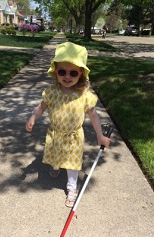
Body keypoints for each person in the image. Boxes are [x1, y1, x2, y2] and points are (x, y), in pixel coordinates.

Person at [26, 42, 111, 208]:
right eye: (62, 71)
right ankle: (57, 166)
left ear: (81, 74)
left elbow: (93, 116)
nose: (67, 76)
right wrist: (33, 117)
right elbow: (41, 107)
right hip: (55, 134)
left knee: (72, 165)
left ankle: (72, 188)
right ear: (56, 72)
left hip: (73, 136)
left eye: (73, 72)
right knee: (55, 156)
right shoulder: (51, 92)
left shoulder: (84, 96)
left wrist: (100, 135)